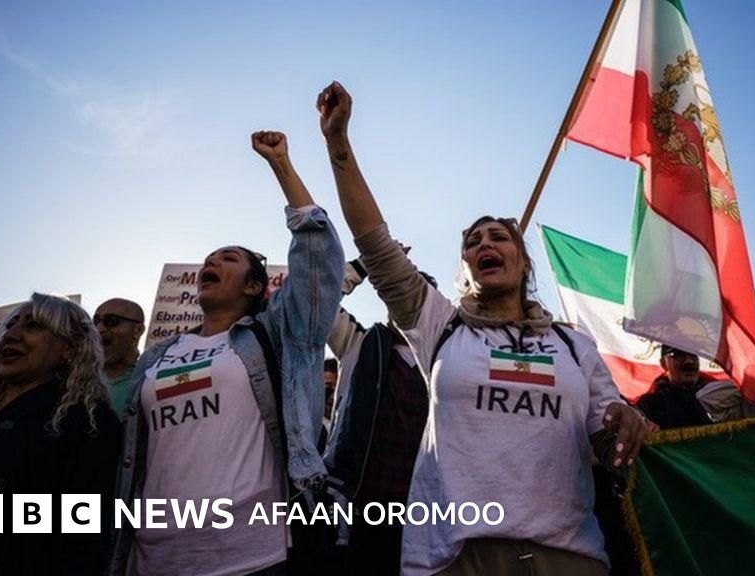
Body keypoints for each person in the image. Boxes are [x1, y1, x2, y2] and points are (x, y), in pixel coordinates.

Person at [317, 80, 649, 576]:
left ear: (523, 262)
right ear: (466, 267)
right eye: (473, 242)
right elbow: (374, 242)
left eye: (499, 237)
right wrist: (338, 144)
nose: (485, 244)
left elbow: (608, 441)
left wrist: (626, 426)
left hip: (568, 557)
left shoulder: (573, 345)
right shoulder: (440, 326)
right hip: (455, 557)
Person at [109, 130, 344, 576]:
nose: (212, 262)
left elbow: (318, 260)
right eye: (210, 258)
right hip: (154, 556)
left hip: (252, 555)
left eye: (229, 258)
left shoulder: (278, 335)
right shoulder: (157, 357)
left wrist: (281, 165)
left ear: (254, 286)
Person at [0, 293, 121, 575]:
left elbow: (82, 537)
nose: (12, 334)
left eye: (33, 325)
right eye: (11, 324)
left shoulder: (88, 423)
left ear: (69, 348)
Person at [324, 260, 435, 576]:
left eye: (414, 297)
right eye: (396, 293)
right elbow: (318, 303)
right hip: (361, 508)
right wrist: (362, 266)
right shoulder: (357, 343)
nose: (404, 303)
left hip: (425, 513)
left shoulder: (447, 358)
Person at [94, 298, 145, 419]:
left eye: (111, 321)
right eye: (95, 322)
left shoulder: (149, 381)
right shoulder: (78, 381)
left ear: (137, 330)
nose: (98, 329)